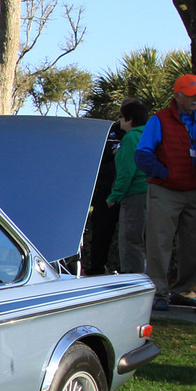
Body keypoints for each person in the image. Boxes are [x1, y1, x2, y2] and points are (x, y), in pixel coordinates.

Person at [135, 73, 196, 311]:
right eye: (191, 95)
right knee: (159, 241)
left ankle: (184, 290)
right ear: (177, 96)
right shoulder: (159, 120)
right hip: (165, 190)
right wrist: (165, 174)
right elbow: (143, 154)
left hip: (195, 190)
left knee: (193, 242)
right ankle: (158, 291)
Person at [106, 98, 150, 274]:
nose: (120, 121)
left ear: (129, 119)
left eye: (122, 117)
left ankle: (132, 278)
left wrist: (113, 197)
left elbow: (126, 172)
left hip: (135, 194)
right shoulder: (147, 135)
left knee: (131, 239)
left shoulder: (130, 138)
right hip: (152, 192)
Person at [84, 114, 128, 274]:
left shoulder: (138, 134)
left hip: (129, 190)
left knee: (130, 233)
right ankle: (97, 267)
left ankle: (128, 269)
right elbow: (99, 153)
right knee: (101, 231)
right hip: (105, 189)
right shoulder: (110, 131)